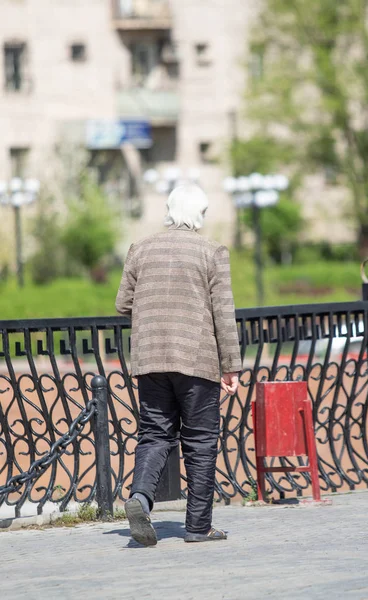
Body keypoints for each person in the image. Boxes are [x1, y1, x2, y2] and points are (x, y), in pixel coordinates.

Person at [115, 182, 242, 546]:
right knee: (200, 442)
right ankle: (198, 527)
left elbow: (123, 303)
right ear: (200, 213)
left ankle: (140, 498)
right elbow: (223, 313)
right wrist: (231, 366)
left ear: (169, 210)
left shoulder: (140, 248)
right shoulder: (212, 251)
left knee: (154, 435)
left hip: (150, 359)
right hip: (197, 360)